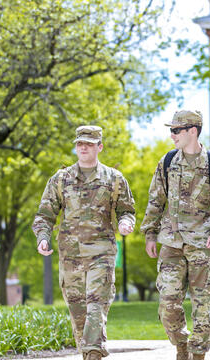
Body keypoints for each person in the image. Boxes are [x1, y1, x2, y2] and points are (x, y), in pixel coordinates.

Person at [141, 110, 210, 360]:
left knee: (202, 308)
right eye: (171, 130)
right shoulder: (167, 162)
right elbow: (155, 201)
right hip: (171, 245)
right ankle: (181, 345)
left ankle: (197, 355)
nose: (171, 135)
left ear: (192, 131)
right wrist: (150, 234)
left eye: (176, 130)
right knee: (167, 304)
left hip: (202, 246)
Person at [32, 125, 135, 360]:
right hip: (71, 256)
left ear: (100, 146)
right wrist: (43, 237)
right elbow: (45, 215)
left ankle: (92, 354)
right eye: (80, 143)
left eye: (89, 143)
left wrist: (125, 223)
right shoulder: (60, 179)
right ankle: (88, 353)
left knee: (96, 306)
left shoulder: (114, 179)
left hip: (102, 253)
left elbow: (126, 210)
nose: (83, 147)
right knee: (78, 314)